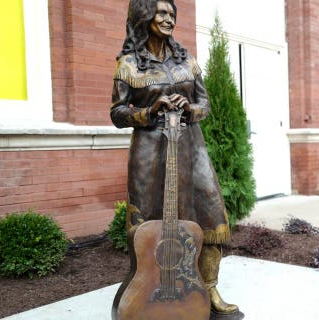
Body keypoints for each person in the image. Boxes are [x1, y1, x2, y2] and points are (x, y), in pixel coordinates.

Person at [110, 0, 239, 316]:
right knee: (149, 223)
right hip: (149, 155)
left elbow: (205, 104)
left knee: (210, 216)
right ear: (144, 16)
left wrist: (190, 108)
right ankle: (147, 288)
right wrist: (149, 111)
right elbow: (117, 112)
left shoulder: (187, 61)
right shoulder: (129, 64)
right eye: (162, 13)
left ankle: (208, 290)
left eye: (172, 14)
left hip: (191, 150)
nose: (169, 19)